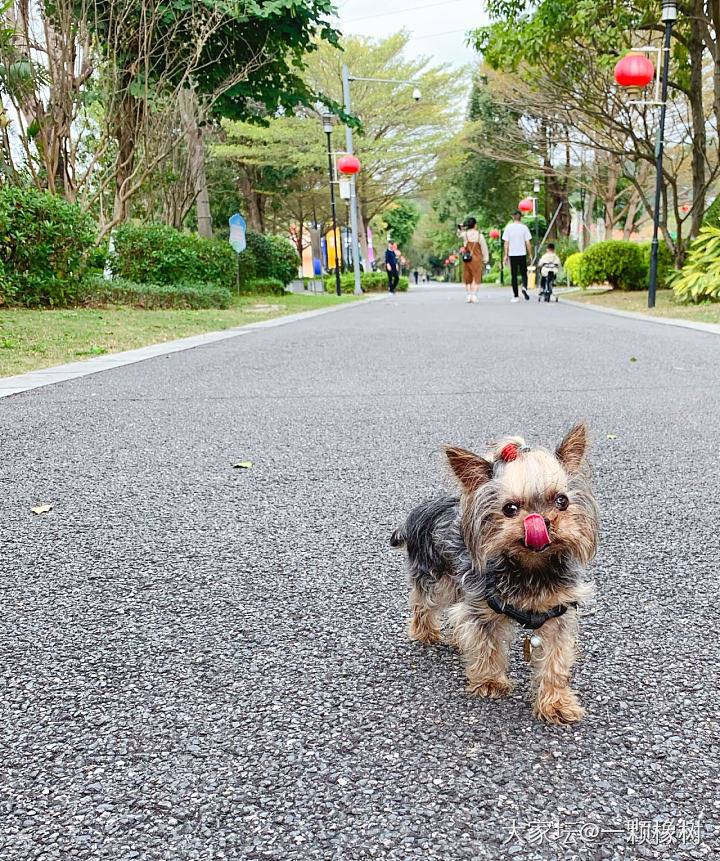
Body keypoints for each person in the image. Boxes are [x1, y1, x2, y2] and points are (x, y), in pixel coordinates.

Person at [503, 210, 533, 303]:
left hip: (513, 254)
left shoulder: (508, 228)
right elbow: (528, 242)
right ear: (521, 218)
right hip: (522, 253)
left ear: (513, 217)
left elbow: (506, 242)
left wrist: (506, 254)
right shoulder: (524, 228)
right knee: (524, 273)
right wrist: (530, 254)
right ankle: (524, 287)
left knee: (514, 275)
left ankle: (515, 295)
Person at [457, 217, 489, 304]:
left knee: (468, 278)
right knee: (476, 277)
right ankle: (474, 295)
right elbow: (484, 248)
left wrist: (460, 227)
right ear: (475, 225)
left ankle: (468, 295)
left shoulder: (465, 234)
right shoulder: (480, 236)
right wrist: (486, 259)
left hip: (467, 259)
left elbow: (459, 234)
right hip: (477, 259)